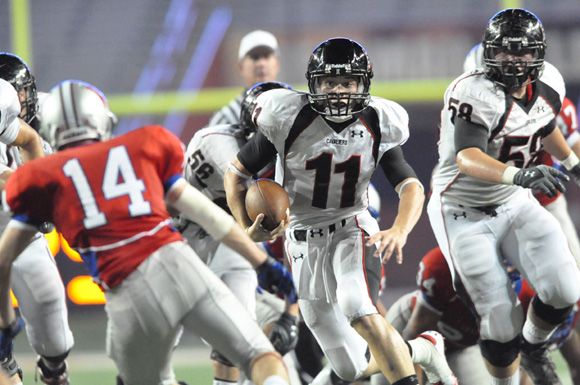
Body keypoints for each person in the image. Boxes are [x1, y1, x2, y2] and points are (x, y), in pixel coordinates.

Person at [0, 80, 297, 385]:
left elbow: (4, 259)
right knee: (259, 357)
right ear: (101, 119)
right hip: (178, 263)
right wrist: (263, 263)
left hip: (127, 296)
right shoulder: (140, 146)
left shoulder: (42, 177)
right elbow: (209, 216)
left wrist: (5, 323)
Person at [224, 37, 457, 385]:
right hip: (301, 239)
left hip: (352, 227)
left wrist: (399, 229)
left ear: (363, 83)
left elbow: (410, 186)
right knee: (349, 368)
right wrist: (247, 227)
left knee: (357, 306)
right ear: (313, 84)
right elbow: (236, 173)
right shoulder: (287, 117)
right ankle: (422, 348)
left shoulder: (378, 120)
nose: (337, 91)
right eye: (329, 82)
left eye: (346, 82)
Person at [427, 9, 580, 385]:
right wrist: (521, 174)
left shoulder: (548, 83)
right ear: (489, 53)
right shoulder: (472, 92)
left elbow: (543, 127)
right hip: (461, 208)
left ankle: (534, 347)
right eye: (505, 52)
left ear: (538, 54)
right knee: (500, 318)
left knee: (565, 288)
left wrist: (573, 162)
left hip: (512, 199)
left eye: (523, 52)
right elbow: (467, 157)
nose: (514, 61)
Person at [178, 81, 301, 385]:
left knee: (238, 336)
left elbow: (296, 234)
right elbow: (246, 193)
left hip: (228, 243)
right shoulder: (216, 142)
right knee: (156, 338)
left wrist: (292, 311)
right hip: (178, 238)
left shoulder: (292, 157)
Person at [372, 247, 580, 385]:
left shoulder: (527, 300)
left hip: (462, 347)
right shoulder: (444, 268)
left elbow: (517, 365)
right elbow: (414, 339)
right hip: (411, 330)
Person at [463, 44, 580, 268]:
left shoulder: (548, 103)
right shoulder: (464, 116)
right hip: (491, 208)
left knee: (572, 273)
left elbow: (571, 143)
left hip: (543, 200)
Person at [0, 52, 75, 385]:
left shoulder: (18, 111)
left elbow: (29, 138)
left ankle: (52, 369)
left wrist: (38, 193)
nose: (25, 101)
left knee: (55, 341)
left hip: (19, 228)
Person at [209, 30, 281, 126]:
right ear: (241, 67)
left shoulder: (293, 106)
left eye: (266, 56)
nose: (261, 63)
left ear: (277, 64)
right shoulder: (227, 117)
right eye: (255, 57)